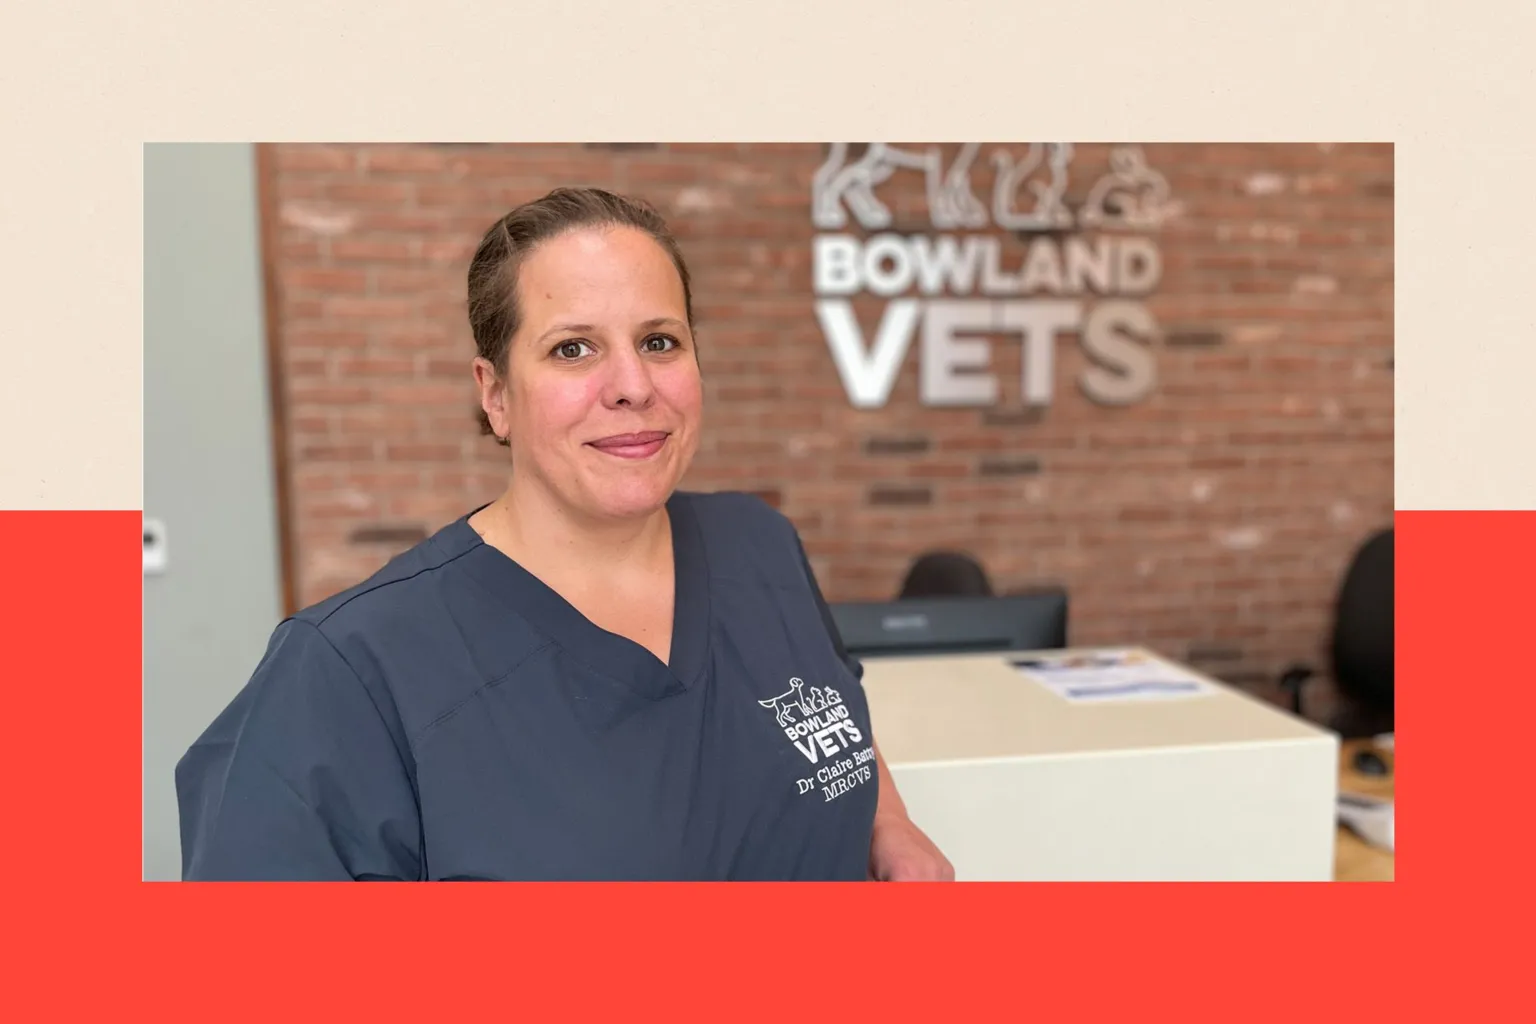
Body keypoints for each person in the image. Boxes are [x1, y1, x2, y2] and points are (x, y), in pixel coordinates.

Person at [176, 186, 954, 882]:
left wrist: (888, 822)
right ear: (496, 396)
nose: (632, 387)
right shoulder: (353, 670)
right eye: (572, 349)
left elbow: (831, 713)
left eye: (659, 341)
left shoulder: (759, 545)